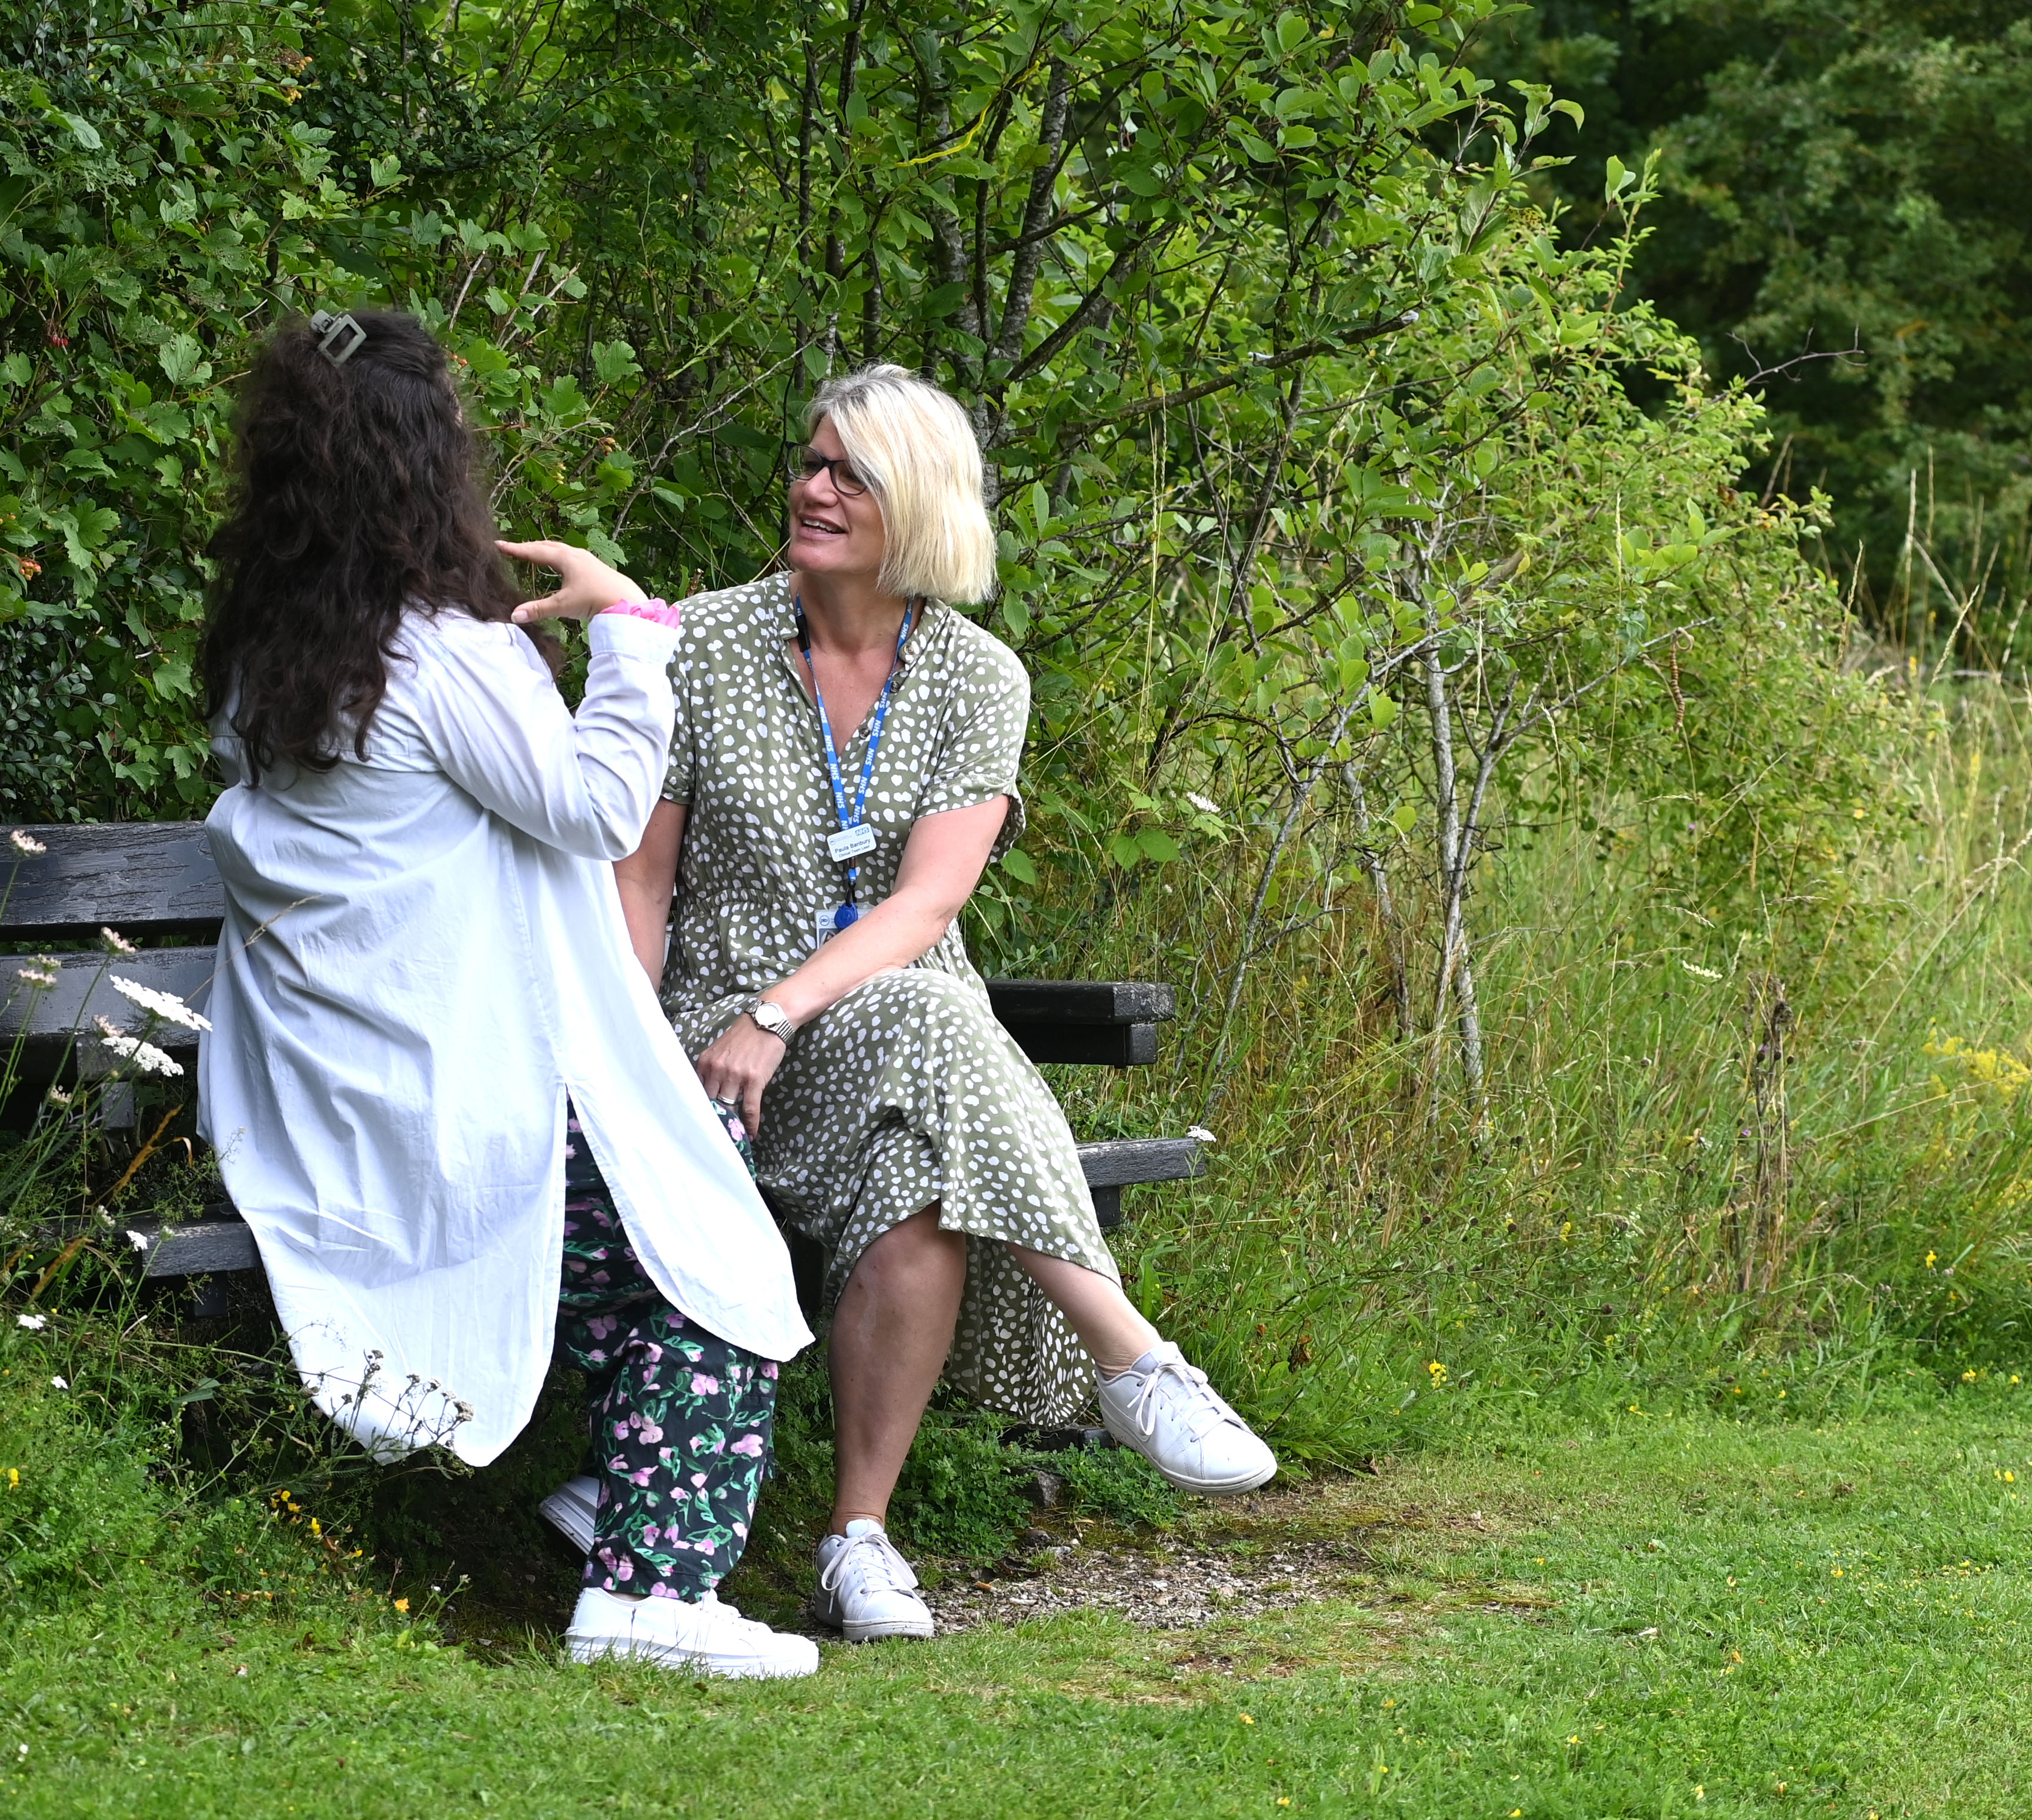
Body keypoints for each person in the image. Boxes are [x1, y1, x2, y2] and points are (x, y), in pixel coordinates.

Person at [574, 361, 1275, 1645]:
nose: (814, 488)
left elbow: (924, 908)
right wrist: (638, 1065)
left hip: (861, 1032)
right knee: (940, 1040)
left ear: (922, 504)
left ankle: (857, 1539)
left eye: (852, 473)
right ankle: (1133, 1362)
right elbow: (641, 883)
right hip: (719, 1055)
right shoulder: (707, 645)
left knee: (920, 1101)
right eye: (812, 461)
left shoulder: (976, 676)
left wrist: (784, 1010)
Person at [192, 308, 818, 1679]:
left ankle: (629, 1499)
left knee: (686, 1168)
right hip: (446, 1094)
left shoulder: (263, 650)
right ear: (428, 461)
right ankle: (648, 1589)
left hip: (329, 1087)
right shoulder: (441, 654)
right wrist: (634, 628)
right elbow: (597, 812)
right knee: (715, 1248)